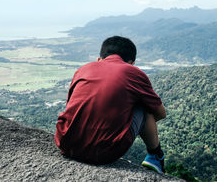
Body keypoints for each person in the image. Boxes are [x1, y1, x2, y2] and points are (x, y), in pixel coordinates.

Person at [55, 36, 166, 173]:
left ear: (99, 59)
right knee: (145, 105)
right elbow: (161, 113)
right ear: (131, 63)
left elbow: (71, 107)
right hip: (105, 153)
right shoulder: (133, 72)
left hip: (66, 144)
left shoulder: (83, 69)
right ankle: (156, 157)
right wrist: (130, 125)